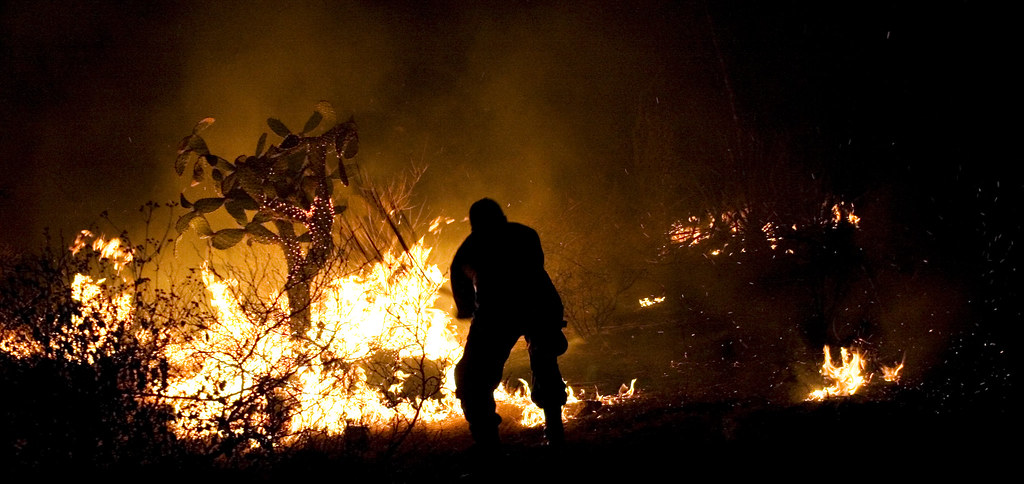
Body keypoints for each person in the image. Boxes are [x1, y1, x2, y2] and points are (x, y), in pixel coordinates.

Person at [451, 198, 568, 448]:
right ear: (501, 216)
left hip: (498, 313)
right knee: (545, 363)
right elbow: (536, 268)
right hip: (541, 305)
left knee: (472, 376)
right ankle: (555, 430)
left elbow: (463, 296)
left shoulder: (470, 247)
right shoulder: (526, 234)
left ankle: (488, 445)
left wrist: (468, 310)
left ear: (474, 224)